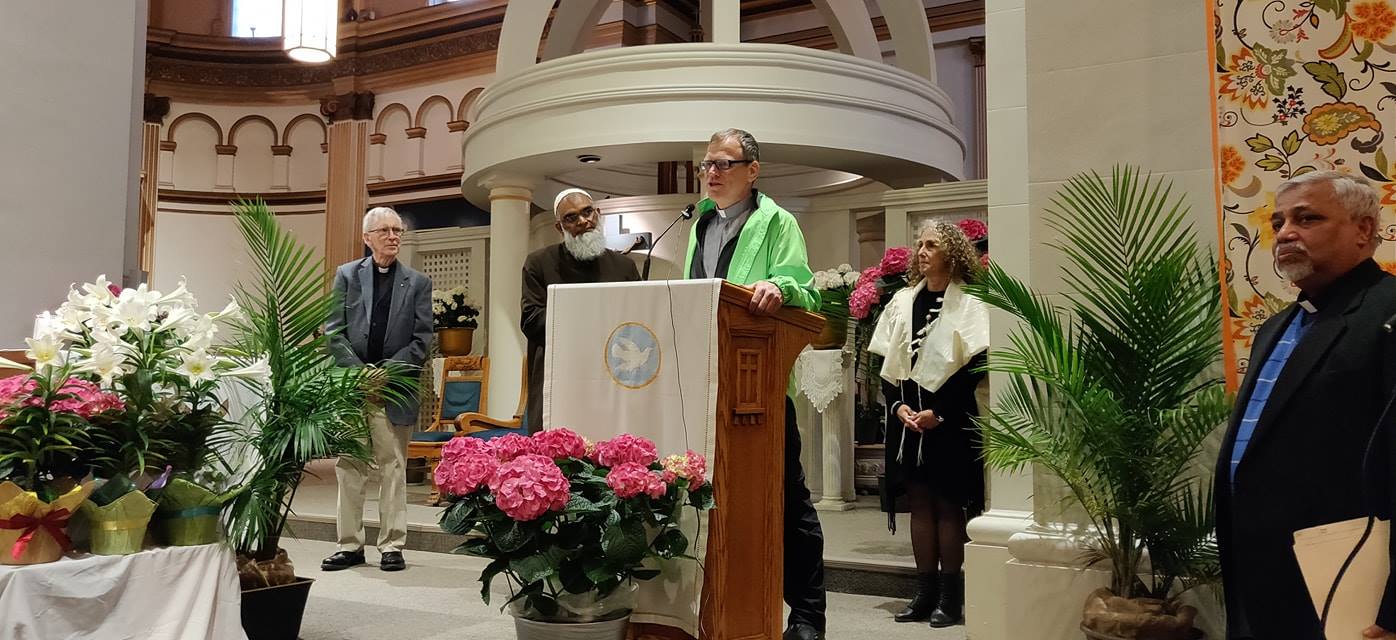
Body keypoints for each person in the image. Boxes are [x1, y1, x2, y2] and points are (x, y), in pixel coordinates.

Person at [1214, 171, 1396, 640]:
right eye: (1278, 222)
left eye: (1307, 218)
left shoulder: (1388, 315)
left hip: (1346, 577)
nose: (1286, 233)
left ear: (1364, 230)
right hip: (1261, 573)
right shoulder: (1276, 327)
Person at [682, 128, 827, 640]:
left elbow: (803, 289)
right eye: (706, 165)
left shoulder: (777, 222)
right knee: (714, 501)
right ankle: (720, 606)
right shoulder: (699, 225)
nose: (712, 174)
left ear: (753, 170)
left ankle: (808, 616)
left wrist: (779, 286)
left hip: (759, 390)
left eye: (723, 164)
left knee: (789, 500)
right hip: (706, 390)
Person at [868, 221, 988, 628]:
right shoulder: (903, 300)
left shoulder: (970, 303)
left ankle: (951, 599)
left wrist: (940, 411)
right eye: (919, 243)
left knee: (947, 507)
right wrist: (898, 405)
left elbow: (976, 366)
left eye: (932, 244)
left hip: (949, 421)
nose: (921, 250)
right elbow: (882, 363)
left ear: (951, 253)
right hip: (907, 420)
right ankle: (925, 593)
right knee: (919, 506)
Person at [321, 206, 433, 572]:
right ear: (367, 238)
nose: (393, 237)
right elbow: (333, 331)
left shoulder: (417, 283)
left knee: (393, 466)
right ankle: (350, 544)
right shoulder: (347, 275)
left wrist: (386, 373)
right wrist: (360, 375)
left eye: (397, 230)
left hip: (394, 389)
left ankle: (392, 545)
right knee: (349, 466)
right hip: (353, 388)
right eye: (384, 231)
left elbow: (422, 340)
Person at [521, 188, 641, 433]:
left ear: (598, 213)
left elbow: (638, 322)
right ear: (560, 228)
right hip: (561, 378)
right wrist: (584, 313)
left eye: (588, 212)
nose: (583, 221)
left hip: (612, 378)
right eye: (571, 218)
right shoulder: (539, 263)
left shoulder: (624, 266)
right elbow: (531, 321)